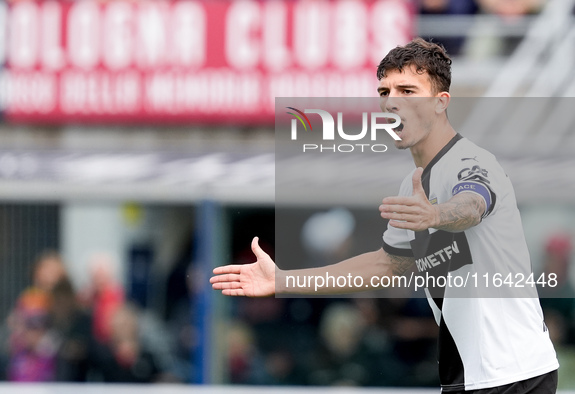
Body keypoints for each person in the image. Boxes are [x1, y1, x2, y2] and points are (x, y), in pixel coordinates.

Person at [211, 38, 559, 393]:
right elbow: (385, 266)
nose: (392, 101)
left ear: (441, 103)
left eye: (408, 90)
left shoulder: (471, 162)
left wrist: (435, 214)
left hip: (514, 375)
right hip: (471, 378)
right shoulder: (412, 185)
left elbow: (472, 205)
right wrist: (283, 280)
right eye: (385, 91)